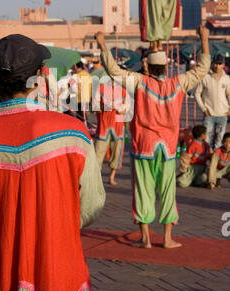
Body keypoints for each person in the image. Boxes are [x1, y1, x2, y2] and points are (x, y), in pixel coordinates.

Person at [0, 34, 105, 291]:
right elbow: (91, 206)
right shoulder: (73, 134)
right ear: (40, 77)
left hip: (2, 290)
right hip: (62, 283)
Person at [95, 25, 210, 249]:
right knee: (168, 189)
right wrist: (204, 38)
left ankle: (145, 238)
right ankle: (167, 239)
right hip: (166, 148)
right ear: (166, 66)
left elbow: (114, 71)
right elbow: (202, 69)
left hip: (143, 146)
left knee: (143, 190)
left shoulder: (139, 82)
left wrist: (102, 43)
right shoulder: (178, 83)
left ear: (150, 65)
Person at [93, 78, 129, 185]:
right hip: (104, 123)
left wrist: (120, 108)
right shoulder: (101, 88)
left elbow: (127, 106)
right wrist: (103, 107)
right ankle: (96, 177)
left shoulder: (123, 90)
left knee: (117, 152)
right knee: (98, 151)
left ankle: (111, 176)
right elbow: (95, 105)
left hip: (118, 123)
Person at [195, 53, 230, 151]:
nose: (217, 66)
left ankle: (216, 163)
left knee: (219, 141)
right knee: (206, 140)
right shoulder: (205, 77)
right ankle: (206, 161)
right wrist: (203, 109)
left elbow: (229, 95)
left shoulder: (226, 78)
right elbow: (197, 94)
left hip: (222, 114)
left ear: (223, 65)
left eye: (220, 64)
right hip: (209, 114)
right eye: (215, 63)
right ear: (212, 64)